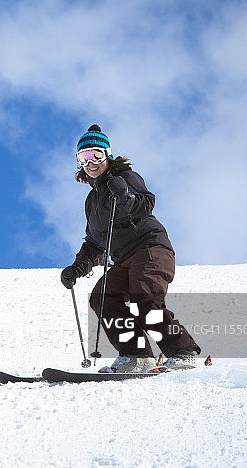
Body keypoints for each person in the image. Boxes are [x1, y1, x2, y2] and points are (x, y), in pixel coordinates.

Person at [59, 125, 201, 373]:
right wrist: (76, 268)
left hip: (150, 248)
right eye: (84, 157)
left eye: (96, 155)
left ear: (107, 155)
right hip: (124, 258)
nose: (91, 162)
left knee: (145, 298)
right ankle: (136, 355)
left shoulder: (124, 177)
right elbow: (94, 242)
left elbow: (147, 202)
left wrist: (126, 198)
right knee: (103, 297)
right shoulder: (92, 201)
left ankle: (183, 352)